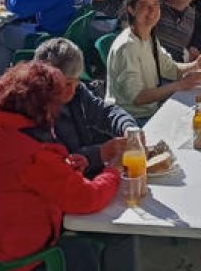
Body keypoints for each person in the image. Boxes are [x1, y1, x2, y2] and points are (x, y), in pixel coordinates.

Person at [0, 61, 123, 271]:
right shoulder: (32, 155)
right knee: (88, 251)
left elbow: (6, 180)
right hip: (6, 269)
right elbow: (87, 198)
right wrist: (113, 171)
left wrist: (63, 166)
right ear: (44, 108)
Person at [34, 38, 136, 177]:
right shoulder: (35, 112)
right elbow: (56, 167)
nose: (72, 90)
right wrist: (100, 153)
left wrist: (127, 127)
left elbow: (104, 111)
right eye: (67, 84)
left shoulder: (77, 92)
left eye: (77, 81)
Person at [106, 0, 201, 122]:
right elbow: (138, 98)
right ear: (131, 10)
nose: (152, 10)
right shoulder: (127, 47)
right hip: (132, 119)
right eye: (144, 5)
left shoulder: (149, 37)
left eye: (155, 4)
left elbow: (170, 68)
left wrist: (197, 64)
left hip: (152, 109)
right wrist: (180, 85)